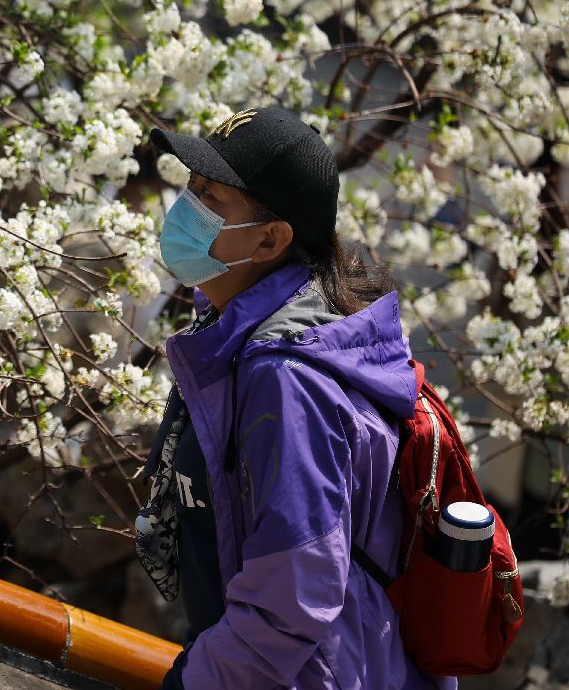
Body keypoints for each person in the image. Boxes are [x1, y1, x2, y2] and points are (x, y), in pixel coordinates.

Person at [135, 105, 452, 689]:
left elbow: (293, 597)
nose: (186, 207)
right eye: (192, 186)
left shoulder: (288, 378)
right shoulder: (245, 331)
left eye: (211, 197)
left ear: (270, 240)